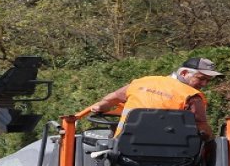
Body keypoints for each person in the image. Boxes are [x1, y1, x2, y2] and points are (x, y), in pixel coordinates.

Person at [88, 57, 223, 140]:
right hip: (173, 157)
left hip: (124, 150)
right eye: (201, 78)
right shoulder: (192, 96)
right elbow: (202, 128)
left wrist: (102, 106)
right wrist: (213, 141)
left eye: (208, 81)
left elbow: (114, 97)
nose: (204, 84)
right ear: (183, 73)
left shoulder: (142, 82)